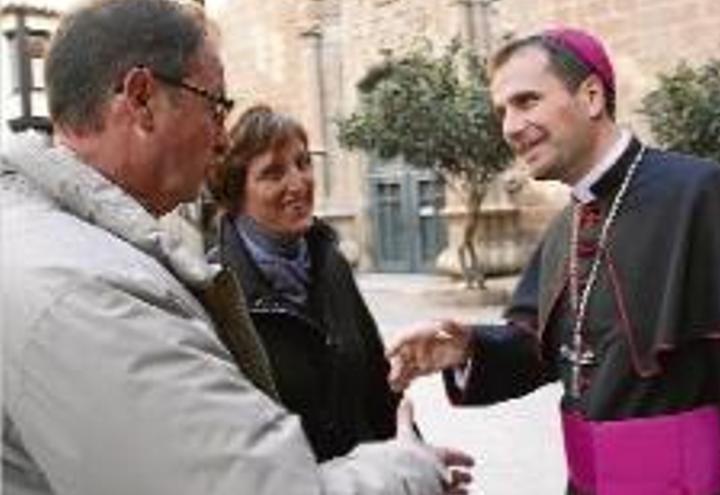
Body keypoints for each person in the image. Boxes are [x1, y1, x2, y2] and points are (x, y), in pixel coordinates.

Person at [0, 1, 472, 494]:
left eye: (303, 163)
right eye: (215, 105)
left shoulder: (325, 259)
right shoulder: (89, 289)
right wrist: (409, 473)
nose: (222, 138)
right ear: (141, 100)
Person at [386, 27, 720, 495]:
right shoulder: (567, 224)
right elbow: (544, 348)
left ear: (590, 96)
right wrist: (466, 348)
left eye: (526, 101)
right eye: (502, 111)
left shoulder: (707, 196)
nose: (508, 127)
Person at [207, 104, 405, 462]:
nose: (298, 184)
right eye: (273, 173)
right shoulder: (216, 291)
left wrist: (414, 461)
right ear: (236, 194)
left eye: (302, 163)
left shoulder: (331, 261)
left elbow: (377, 386)